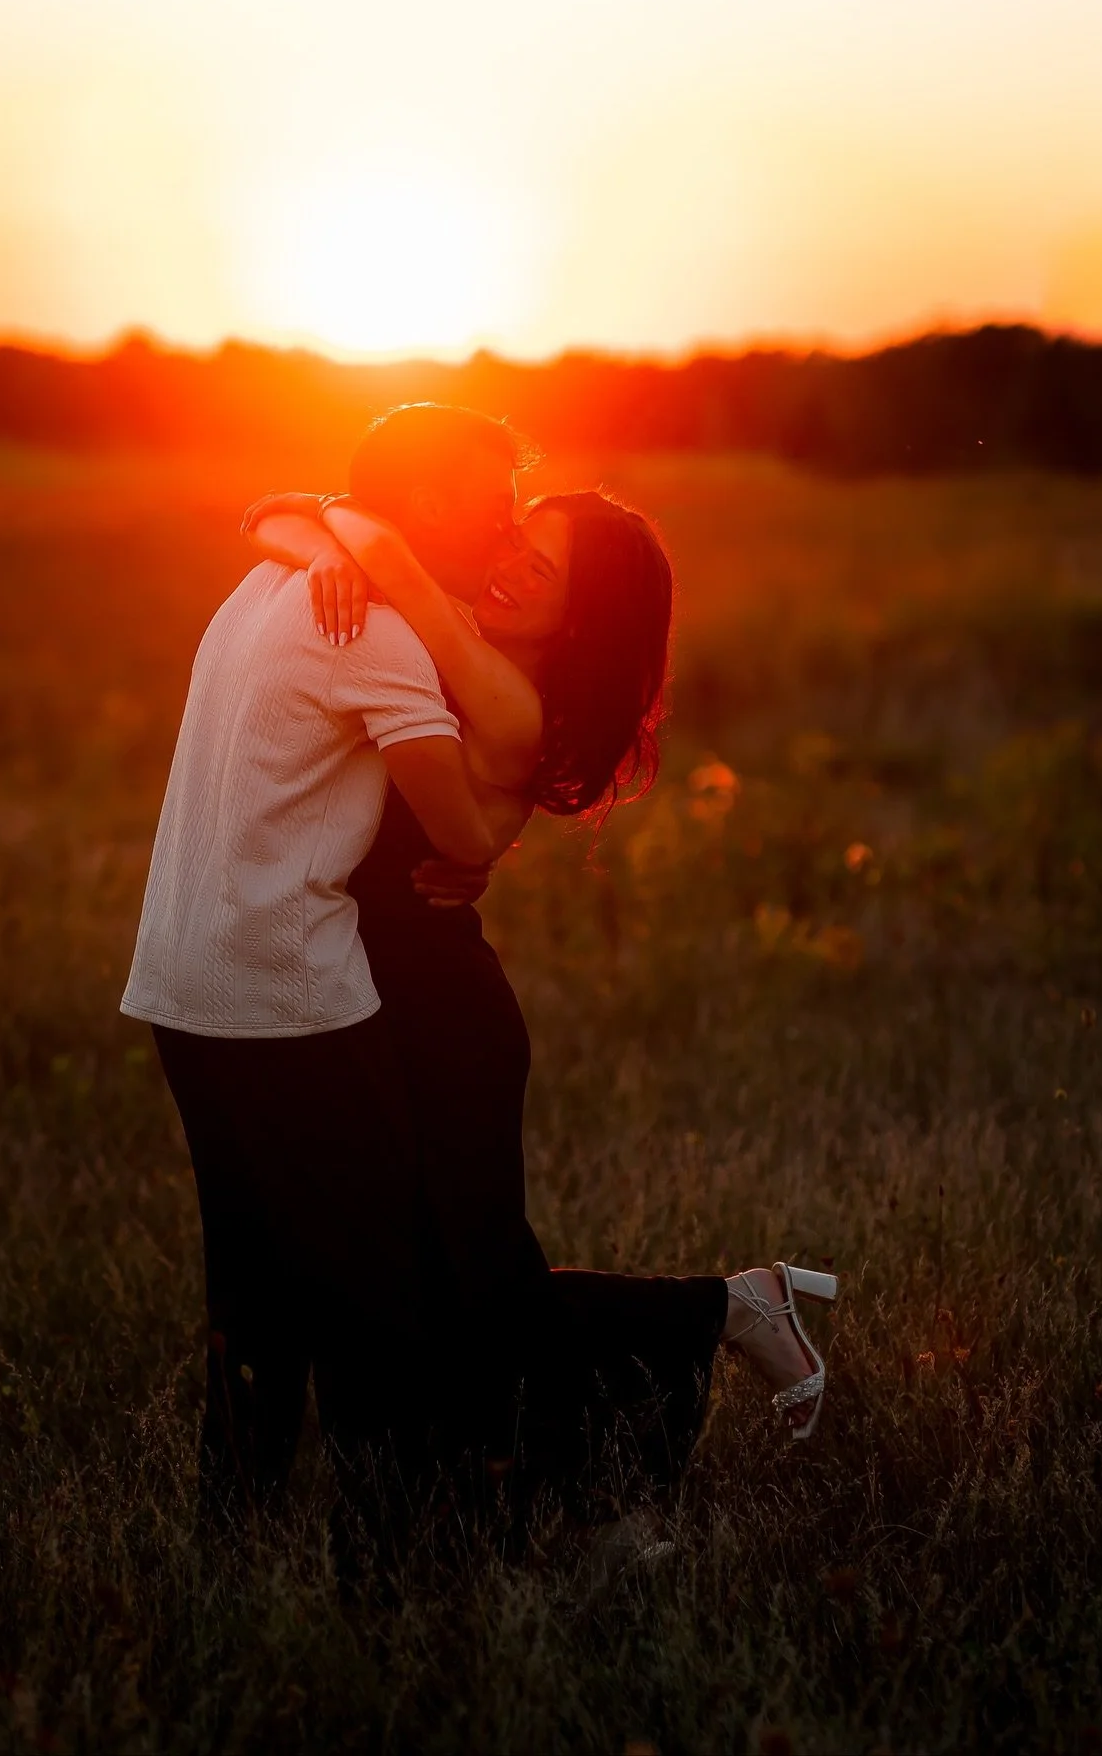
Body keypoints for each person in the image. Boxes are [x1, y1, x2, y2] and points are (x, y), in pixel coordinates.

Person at [240, 458, 839, 1533]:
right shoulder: (455, 633)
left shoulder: (507, 687)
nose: (510, 562)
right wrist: (328, 534)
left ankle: (669, 1401)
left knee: (476, 1292)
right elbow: (267, 518)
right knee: (435, 1286)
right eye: (518, 535)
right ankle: (567, 1482)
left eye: (543, 564)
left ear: (583, 612)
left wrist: (350, 538)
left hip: (444, 1021)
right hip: (377, 995)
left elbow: (381, 562)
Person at [122, 403, 522, 1538]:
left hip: (181, 984)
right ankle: (395, 1564)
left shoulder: (263, 591)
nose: (503, 531)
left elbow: (280, 524)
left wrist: (324, 536)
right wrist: (484, 842)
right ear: (432, 503)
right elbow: (460, 835)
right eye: (492, 507)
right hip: (289, 993)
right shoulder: (376, 635)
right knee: (373, 1300)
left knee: (247, 1290)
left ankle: (232, 1535)